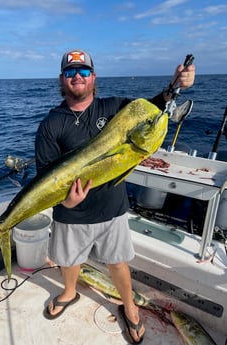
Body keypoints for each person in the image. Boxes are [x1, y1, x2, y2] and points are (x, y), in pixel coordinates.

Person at [35, 49, 195, 344]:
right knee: (69, 261)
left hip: (112, 209)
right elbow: (45, 177)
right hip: (70, 214)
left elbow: (152, 108)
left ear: (94, 77)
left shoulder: (115, 108)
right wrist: (65, 202)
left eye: (84, 71)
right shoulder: (50, 124)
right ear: (62, 79)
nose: (78, 76)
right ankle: (69, 293)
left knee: (118, 263)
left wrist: (176, 85)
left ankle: (130, 307)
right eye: (70, 72)